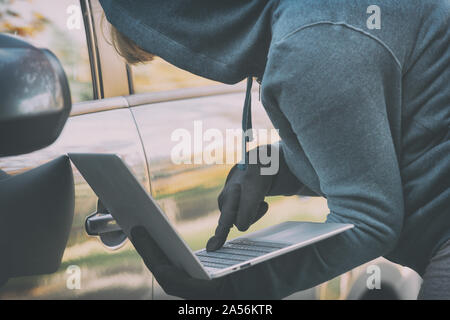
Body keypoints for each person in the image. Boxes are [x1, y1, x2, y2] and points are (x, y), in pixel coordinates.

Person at [99, 0, 449, 299]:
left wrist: (229, 289)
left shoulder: (311, 42)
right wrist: (267, 166)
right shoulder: (311, 23)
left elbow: (368, 222)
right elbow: (374, 146)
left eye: (169, 46)